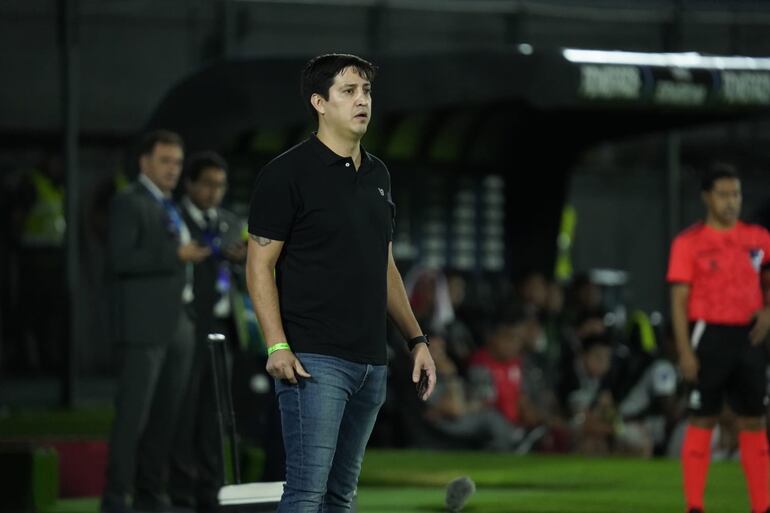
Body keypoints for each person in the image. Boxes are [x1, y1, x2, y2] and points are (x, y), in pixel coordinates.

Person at [246, 54, 436, 513]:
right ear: (319, 102)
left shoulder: (378, 175)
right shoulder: (285, 173)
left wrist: (416, 340)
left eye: (366, 91)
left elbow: (384, 266)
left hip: (371, 363)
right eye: (348, 91)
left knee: (339, 497)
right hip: (313, 361)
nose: (362, 100)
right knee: (307, 493)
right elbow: (258, 265)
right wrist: (276, 346)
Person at [101, 131, 210, 513]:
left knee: (168, 418)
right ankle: (117, 496)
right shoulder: (128, 202)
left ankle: (152, 492)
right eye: (165, 161)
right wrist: (176, 253)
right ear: (144, 162)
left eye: (177, 163)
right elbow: (121, 259)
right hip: (144, 326)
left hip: (179, 321)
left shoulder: (170, 206)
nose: (172, 170)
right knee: (134, 416)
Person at [668, 163, 770, 513]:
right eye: (724, 195)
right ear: (706, 198)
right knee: (703, 418)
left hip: (749, 337)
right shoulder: (688, 243)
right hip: (707, 334)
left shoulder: (758, 239)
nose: (732, 202)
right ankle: (695, 505)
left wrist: (769, 311)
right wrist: (684, 350)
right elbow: (679, 300)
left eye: (737, 194)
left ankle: (761, 505)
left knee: (754, 419)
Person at [169, 151, 246, 513]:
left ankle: (213, 491)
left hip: (223, 326)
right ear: (190, 184)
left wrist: (244, 261)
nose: (215, 192)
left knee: (217, 411)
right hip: (186, 324)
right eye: (208, 184)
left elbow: (250, 277)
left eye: (221, 185)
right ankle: (182, 491)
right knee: (185, 410)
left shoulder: (230, 223)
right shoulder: (174, 219)